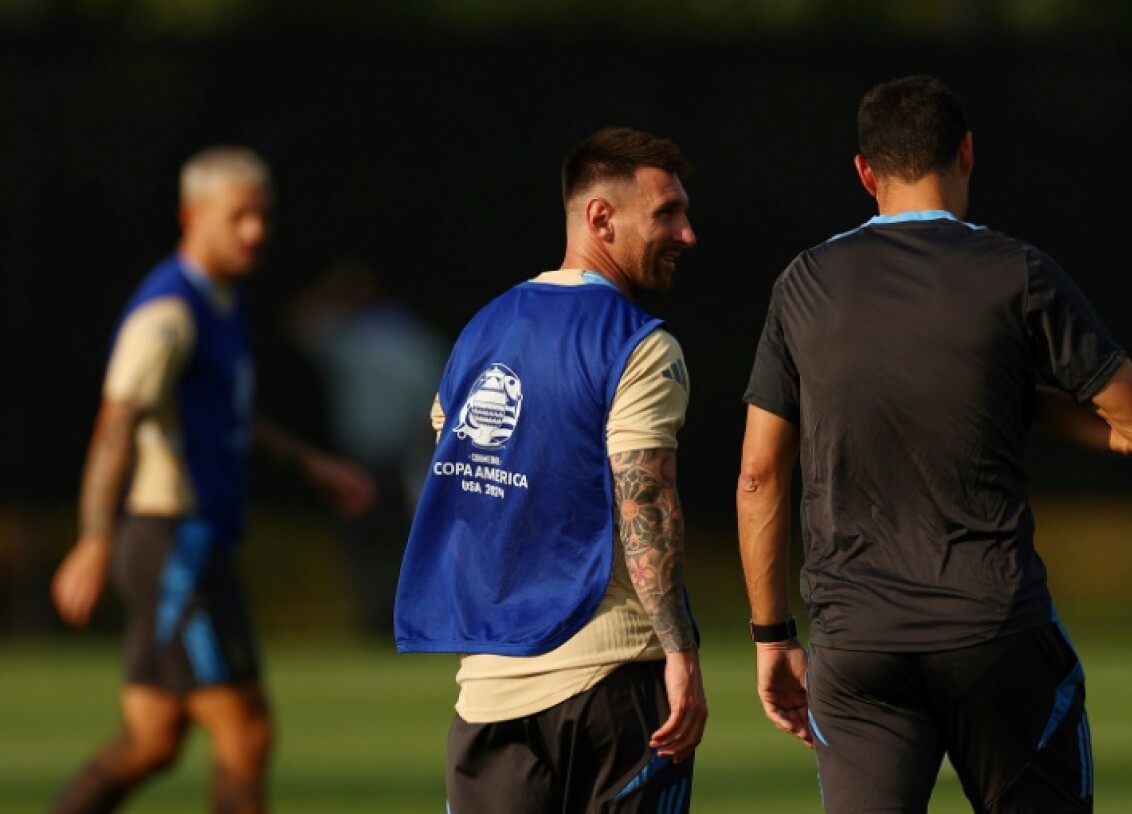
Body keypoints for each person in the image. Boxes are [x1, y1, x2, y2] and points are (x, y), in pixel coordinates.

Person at [736, 74, 1132, 814]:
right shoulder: (1018, 272)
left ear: (865, 172)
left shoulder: (803, 283)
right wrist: (1021, 397)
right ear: (967, 153)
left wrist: (772, 637)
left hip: (856, 642)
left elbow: (757, 476)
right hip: (996, 633)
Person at [49, 144, 376, 813]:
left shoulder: (217, 302)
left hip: (191, 544)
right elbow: (115, 427)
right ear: (190, 216)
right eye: (238, 217)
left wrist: (308, 464)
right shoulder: (166, 315)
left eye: (263, 216)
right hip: (173, 547)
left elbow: (228, 417)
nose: (255, 231)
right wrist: (91, 539)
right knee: (246, 734)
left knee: (153, 741)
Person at [393, 126, 708, 813]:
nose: (687, 234)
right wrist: (680, 651)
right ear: (602, 217)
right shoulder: (639, 346)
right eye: (667, 213)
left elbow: (460, 479)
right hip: (614, 682)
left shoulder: (481, 331)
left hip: (487, 688)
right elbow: (644, 503)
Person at [284, 257, 449, 635]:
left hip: (385, 456)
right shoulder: (407, 340)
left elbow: (297, 320)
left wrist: (333, 291)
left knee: (382, 545)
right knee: (393, 545)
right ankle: (393, 623)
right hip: (389, 457)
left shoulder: (355, 337)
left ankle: (386, 622)